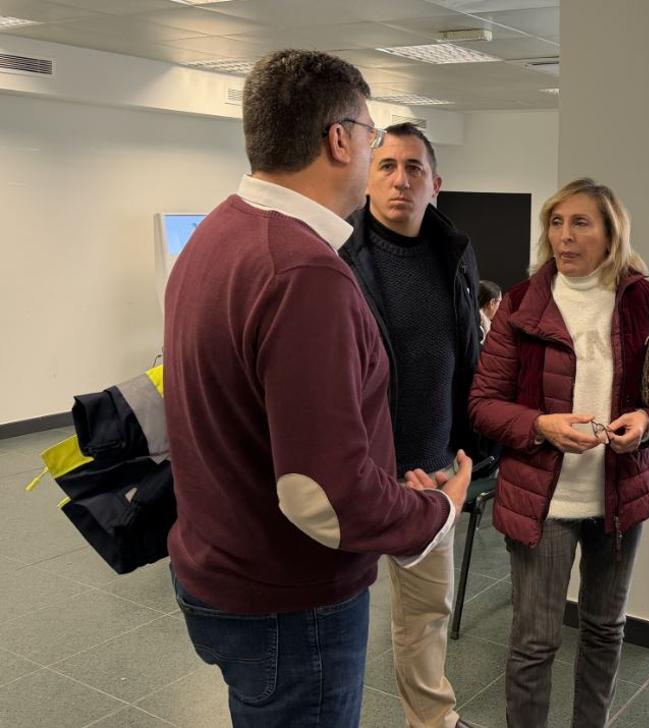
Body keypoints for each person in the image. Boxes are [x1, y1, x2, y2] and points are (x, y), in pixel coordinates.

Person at [163, 50, 470, 727]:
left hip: (220, 569)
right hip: (288, 602)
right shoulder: (304, 272)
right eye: (370, 137)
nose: (374, 155)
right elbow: (321, 498)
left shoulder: (218, 235)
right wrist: (435, 512)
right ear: (339, 139)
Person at [469, 178, 649, 728]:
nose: (564, 237)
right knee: (534, 642)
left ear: (611, 232)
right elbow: (483, 404)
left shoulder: (642, 299)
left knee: (604, 629)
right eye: (557, 223)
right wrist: (541, 424)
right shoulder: (522, 305)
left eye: (581, 223)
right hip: (544, 501)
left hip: (621, 495)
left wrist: (647, 421)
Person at [340, 122, 482, 728]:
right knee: (337, 607)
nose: (401, 179)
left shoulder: (456, 254)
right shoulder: (338, 257)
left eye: (414, 168)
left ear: (436, 184)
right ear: (367, 178)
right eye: (388, 165)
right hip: (358, 470)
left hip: (433, 469)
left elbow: (467, 354)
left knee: (427, 610)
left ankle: (431, 720)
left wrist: (469, 448)